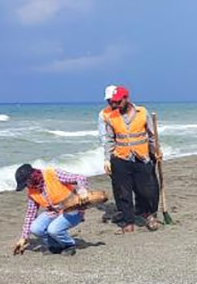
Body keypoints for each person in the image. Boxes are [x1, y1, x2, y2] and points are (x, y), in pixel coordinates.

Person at [99, 85, 161, 233]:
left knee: (146, 191)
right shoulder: (111, 116)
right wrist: (107, 159)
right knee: (123, 192)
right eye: (113, 102)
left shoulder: (142, 112)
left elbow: (151, 135)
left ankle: (148, 215)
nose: (115, 104)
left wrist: (156, 151)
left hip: (142, 158)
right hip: (120, 158)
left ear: (126, 98)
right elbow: (109, 139)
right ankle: (128, 222)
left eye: (118, 101)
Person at [12, 163, 89, 255]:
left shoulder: (52, 174)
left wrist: (83, 190)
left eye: (26, 184)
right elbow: (30, 214)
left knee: (53, 229)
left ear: (31, 178)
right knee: (35, 228)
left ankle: (69, 245)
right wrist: (23, 238)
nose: (27, 186)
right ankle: (55, 245)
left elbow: (80, 178)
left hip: (73, 210)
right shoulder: (32, 191)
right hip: (54, 212)